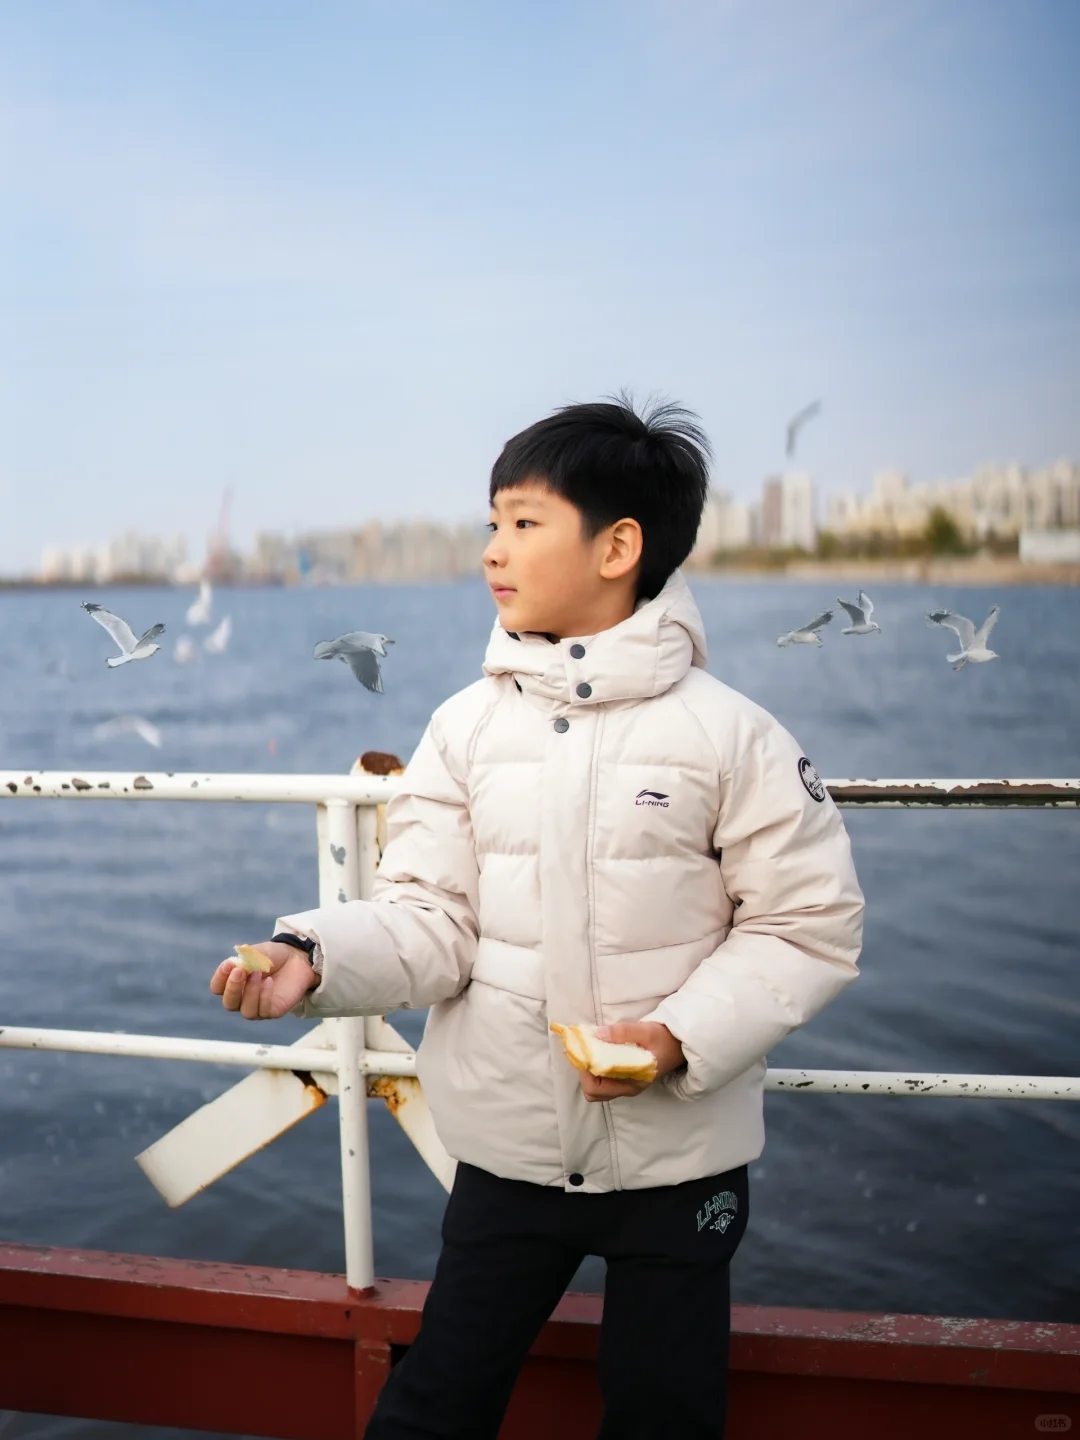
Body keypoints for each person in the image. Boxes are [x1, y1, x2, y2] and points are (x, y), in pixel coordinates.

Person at [210, 395, 864, 1439]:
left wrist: (676, 1038)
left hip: (680, 1161)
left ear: (618, 547)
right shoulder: (463, 729)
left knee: (664, 1411)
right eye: (491, 523)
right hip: (507, 1152)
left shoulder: (732, 736)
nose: (492, 550)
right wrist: (315, 956)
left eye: (522, 523)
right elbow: (431, 918)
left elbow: (806, 923)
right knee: (436, 1401)